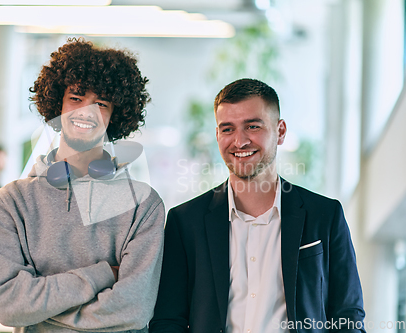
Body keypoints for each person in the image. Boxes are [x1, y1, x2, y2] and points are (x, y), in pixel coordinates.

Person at [149, 78, 365, 333]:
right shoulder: (184, 221)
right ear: (217, 135)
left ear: (280, 131)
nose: (239, 142)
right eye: (227, 129)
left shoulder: (325, 215)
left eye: (252, 126)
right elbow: (167, 320)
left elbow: (347, 316)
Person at [0, 38, 165, 333]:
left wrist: (39, 312)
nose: (86, 112)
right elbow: (9, 305)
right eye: (76, 99)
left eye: (101, 103)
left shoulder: (142, 205)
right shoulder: (11, 203)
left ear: (115, 115)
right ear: (58, 103)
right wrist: (101, 275)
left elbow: (133, 309)